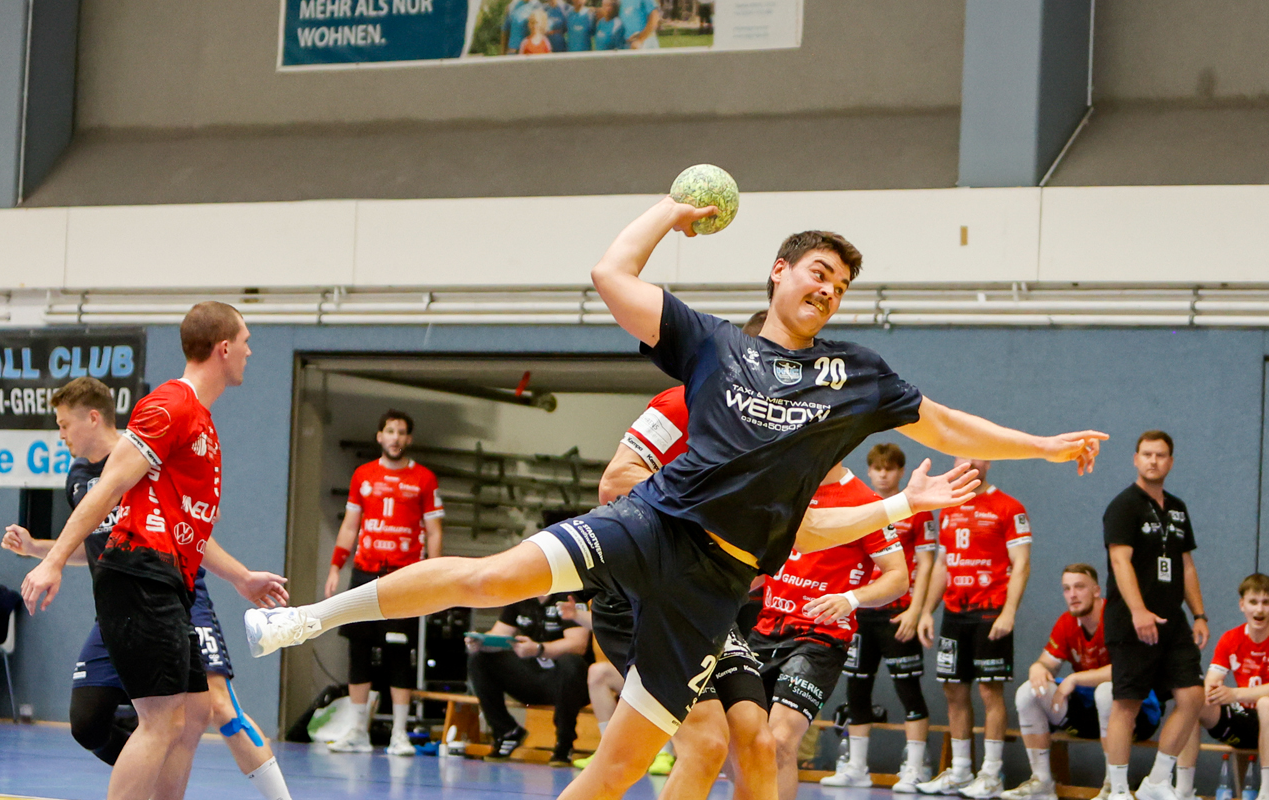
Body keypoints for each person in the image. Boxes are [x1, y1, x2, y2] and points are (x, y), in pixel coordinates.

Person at [245, 196, 1106, 800]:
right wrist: (671, 211)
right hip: (651, 523)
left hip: (715, 587)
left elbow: (947, 424)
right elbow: (610, 272)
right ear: (778, 274)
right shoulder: (712, 344)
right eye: (817, 271)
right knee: (491, 579)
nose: (828, 289)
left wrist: (1037, 444)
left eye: (841, 284)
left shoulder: (853, 375)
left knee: (624, 767)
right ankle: (310, 619)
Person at [19, 302, 288, 800]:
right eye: (246, 340)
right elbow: (107, 488)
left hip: (172, 581)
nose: (251, 350)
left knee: (195, 712)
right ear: (223, 347)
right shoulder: (171, 404)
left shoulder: (202, 423)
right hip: (140, 574)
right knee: (159, 720)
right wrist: (51, 559)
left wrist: (240, 578)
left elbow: (192, 530)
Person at [584, 309, 779, 800]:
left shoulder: (774, 442)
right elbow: (614, 484)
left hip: (705, 603)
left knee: (757, 739)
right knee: (703, 744)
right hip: (638, 596)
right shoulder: (682, 403)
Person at [750, 464, 909, 800]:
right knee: (748, 740)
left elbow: (898, 577)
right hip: (766, 630)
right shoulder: (783, 487)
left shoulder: (864, 501)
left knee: (780, 740)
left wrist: (851, 598)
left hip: (820, 637)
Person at [322, 409, 444, 756]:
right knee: (358, 648)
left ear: (409, 439)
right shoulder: (363, 475)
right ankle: (357, 729)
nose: (395, 438)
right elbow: (350, 526)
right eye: (389, 431)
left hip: (404, 575)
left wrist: (434, 576)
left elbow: (434, 530)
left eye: (402, 432)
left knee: (398, 652)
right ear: (379, 436)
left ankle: (399, 734)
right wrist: (335, 568)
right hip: (364, 571)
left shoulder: (424, 479)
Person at [917, 459, 1032, 799]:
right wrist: (926, 611)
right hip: (955, 612)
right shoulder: (949, 506)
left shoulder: (1009, 507)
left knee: (989, 692)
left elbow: (1022, 564)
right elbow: (942, 564)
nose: (970, 462)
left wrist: (1009, 612)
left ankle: (992, 774)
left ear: (989, 461)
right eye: (962, 456)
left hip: (990, 611)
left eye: (977, 456)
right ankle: (960, 770)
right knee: (953, 690)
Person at [1102, 431, 1207, 800]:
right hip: (1131, 620)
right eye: (1147, 454)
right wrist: (1138, 611)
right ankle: (1116, 790)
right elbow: (1119, 560)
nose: (1153, 461)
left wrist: (1199, 613)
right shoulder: (1124, 505)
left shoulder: (1177, 508)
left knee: (1193, 695)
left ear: (1170, 462)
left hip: (1173, 620)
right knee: (1126, 704)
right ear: (1135, 459)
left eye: (1161, 455)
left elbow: (1186, 563)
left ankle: (1158, 781)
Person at [828, 442, 938, 791]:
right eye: (877, 468)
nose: (883, 474)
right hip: (862, 612)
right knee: (856, 688)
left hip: (897, 613)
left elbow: (927, 564)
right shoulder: (862, 507)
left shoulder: (918, 512)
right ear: (870, 471)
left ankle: (915, 767)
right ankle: (857, 766)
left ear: (901, 472)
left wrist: (915, 611)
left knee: (908, 689)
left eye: (890, 468)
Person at [1002, 564, 1161, 800]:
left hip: (1137, 715)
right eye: (1066, 589)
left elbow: (1124, 671)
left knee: (1106, 692)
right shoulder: (1066, 623)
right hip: (1091, 716)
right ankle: (1042, 782)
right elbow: (1046, 663)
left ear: (1096, 590)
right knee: (1028, 692)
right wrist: (1037, 668)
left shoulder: (1118, 617)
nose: (1072, 595)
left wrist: (1075, 678)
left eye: (1079, 587)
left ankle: (1113, 786)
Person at [465, 594, 591, 765]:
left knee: (570, 662)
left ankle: (564, 744)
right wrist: (481, 642)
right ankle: (507, 732)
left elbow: (578, 644)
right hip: (534, 678)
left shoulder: (568, 596)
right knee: (479, 658)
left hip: (572, 685)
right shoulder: (521, 595)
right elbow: (499, 634)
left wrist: (539, 649)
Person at [1176, 573, 1269, 800]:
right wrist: (1209, 691)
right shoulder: (1231, 638)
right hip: (1244, 719)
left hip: (1267, 714)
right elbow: (1211, 681)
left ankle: (1266, 792)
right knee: (1194, 700)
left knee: (1266, 703)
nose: (1260, 609)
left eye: (1266, 603)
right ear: (1242, 605)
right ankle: (1183, 791)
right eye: (1253, 602)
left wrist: (1235, 693)